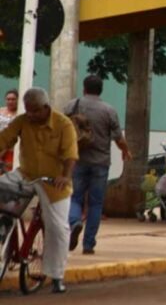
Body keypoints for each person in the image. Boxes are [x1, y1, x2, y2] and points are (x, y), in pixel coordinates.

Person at [0, 88, 78, 293]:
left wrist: (65, 176)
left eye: (35, 111)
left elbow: (71, 155)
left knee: (58, 228)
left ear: (45, 107)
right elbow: (5, 139)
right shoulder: (22, 121)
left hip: (53, 181)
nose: (31, 115)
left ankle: (57, 275)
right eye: (28, 110)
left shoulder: (63, 124)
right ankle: (5, 231)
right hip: (25, 175)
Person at [67, 75, 132, 255]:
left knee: (75, 197)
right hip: (100, 163)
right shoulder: (108, 110)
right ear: (101, 90)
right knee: (95, 203)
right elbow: (119, 138)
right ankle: (88, 245)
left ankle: (74, 221)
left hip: (77, 159)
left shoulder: (72, 106)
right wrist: (125, 150)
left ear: (84, 88)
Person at [0, 89, 18, 171]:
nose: (10, 101)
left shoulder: (20, 113)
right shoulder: (1, 110)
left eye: (13, 99)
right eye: (8, 99)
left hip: (11, 148)